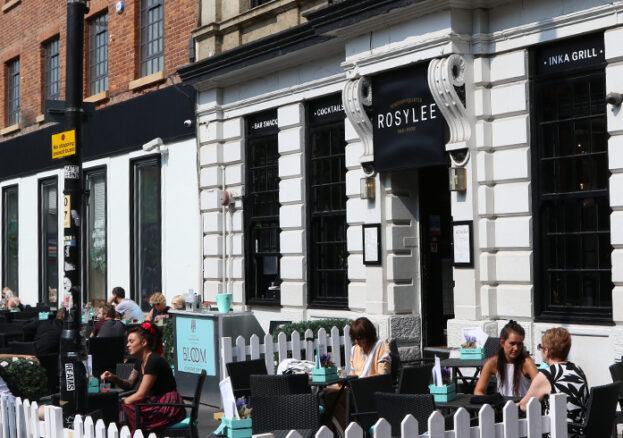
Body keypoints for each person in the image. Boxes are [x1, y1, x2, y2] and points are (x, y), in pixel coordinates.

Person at [100, 322, 186, 433]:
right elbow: (129, 384)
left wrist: (122, 402)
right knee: (122, 409)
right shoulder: (140, 361)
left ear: (144, 342)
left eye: (131, 341)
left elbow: (141, 394)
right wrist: (114, 378)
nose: (127, 345)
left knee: (123, 409)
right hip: (155, 402)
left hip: (166, 405)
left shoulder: (153, 361)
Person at [518, 327, 589, 424]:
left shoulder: (548, 375)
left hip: (558, 430)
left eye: (540, 347)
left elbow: (525, 406)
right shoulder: (577, 369)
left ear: (547, 352)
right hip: (580, 430)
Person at [474, 320, 538, 397]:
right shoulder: (492, 362)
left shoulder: (527, 362)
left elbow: (540, 388)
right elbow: (478, 391)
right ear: (502, 343)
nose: (516, 348)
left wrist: (523, 403)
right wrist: (490, 403)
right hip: (501, 406)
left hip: (523, 406)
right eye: (512, 343)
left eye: (519, 344)